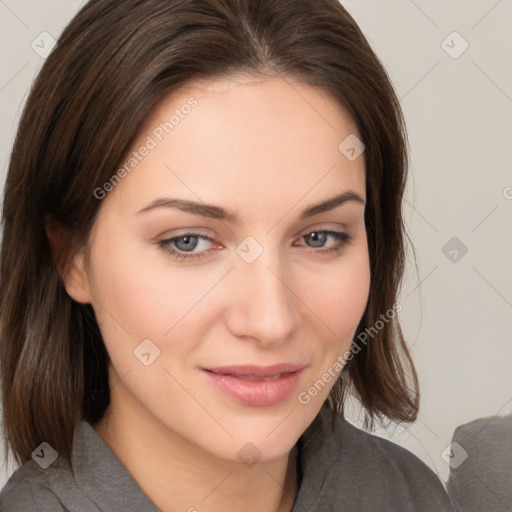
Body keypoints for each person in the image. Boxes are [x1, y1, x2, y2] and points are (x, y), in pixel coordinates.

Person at [0, 0, 456, 510]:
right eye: (188, 241)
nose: (270, 321)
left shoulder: (409, 495)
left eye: (320, 236)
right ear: (71, 257)